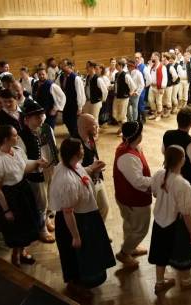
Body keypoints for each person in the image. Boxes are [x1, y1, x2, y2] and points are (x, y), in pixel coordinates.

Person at [49, 137, 115, 293]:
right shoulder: (67, 181)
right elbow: (67, 211)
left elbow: (81, 173)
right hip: (76, 222)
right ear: (74, 154)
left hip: (85, 217)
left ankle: (85, 280)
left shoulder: (70, 165)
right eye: (81, 149)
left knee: (88, 252)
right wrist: (76, 236)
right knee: (78, 254)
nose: (84, 151)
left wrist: (92, 168)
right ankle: (78, 284)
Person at [0, 125, 47, 267]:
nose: (17, 137)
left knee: (27, 223)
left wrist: (37, 163)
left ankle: (23, 251)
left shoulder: (17, 151)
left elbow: (23, 168)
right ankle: (15, 252)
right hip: (10, 196)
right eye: (14, 135)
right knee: (16, 227)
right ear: (6, 139)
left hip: (23, 191)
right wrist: (6, 210)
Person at [148, 145, 191, 294]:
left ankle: (159, 283)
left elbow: (155, 194)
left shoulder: (158, 175)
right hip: (176, 224)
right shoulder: (182, 184)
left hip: (159, 221)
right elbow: (186, 213)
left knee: (160, 252)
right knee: (183, 253)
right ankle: (186, 280)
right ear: (182, 160)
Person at [113, 121, 152, 268]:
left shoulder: (128, 147)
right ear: (138, 136)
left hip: (127, 197)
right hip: (134, 200)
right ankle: (124, 253)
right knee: (141, 229)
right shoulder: (128, 157)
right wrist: (157, 181)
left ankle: (130, 248)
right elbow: (138, 182)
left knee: (130, 225)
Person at [19, 101, 58, 243]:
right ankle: (42, 229)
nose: (41, 118)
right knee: (41, 202)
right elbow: (21, 160)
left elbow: (53, 146)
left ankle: (47, 220)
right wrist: (36, 164)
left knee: (51, 197)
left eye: (41, 115)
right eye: (36, 116)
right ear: (27, 119)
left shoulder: (48, 128)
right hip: (36, 173)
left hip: (50, 168)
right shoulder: (21, 136)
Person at [162, 107, 191, 214]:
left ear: (177, 120)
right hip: (186, 181)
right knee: (187, 212)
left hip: (169, 177)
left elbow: (164, 151)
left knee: (170, 209)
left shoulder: (167, 134)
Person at [77, 114, 110, 222]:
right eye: (95, 126)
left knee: (104, 207)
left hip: (97, 179)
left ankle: (100, 234)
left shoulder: (90, 138)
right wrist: (92, 169)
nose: (98, 128)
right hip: (86, 185)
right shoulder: (76, 145)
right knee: (90, 214)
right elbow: (75, 171)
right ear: (86, 127)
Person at [57, 59, 86, 138]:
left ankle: (76, 137)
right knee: (66, 119)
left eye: (63, 65)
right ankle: (72, 133)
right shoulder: (61, 76)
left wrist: (80, 107)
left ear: (69, 66)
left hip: (74, 104)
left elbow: (80, 93)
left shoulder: (76, 78)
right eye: (61, 65)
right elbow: (57, 88)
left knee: (74, 122)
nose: (61, 67)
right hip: (66, 104)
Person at [113, 59, 137, 134]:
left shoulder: (126, 75)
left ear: (121, 66)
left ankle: (124, 130)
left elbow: (133, 86)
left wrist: (129, 94)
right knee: (115, 114)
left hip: (124, 98)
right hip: (117, 96)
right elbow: (116, 85)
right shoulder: (116, 75)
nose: (116, 66)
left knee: (122, 115)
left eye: (117, 65)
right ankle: (121, 127)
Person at [148, 52, 168, 121]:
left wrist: (162, 87)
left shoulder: (162, 67)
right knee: (150, 100)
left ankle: (159, 115)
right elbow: (148, 75)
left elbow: (165, 78)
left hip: (159, 87)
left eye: (152, 56)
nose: (151, 58)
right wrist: (149, 66)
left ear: (157, 57)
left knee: (158, 101)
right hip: (151, 86)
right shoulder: (152, 66)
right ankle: (154, 113)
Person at [161, 53, 179, 118]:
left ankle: (168, 113)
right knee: (163, 100)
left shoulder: (170, 66)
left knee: (168, 99)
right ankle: (164, 111)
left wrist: (171, 82)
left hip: (168, 86)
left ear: (165, 58)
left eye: (162, 57)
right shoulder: (163, 66)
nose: (161, 58)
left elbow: (175, 76)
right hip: (163, 86)